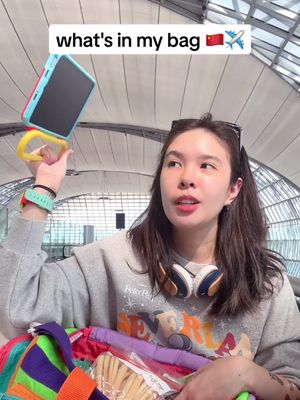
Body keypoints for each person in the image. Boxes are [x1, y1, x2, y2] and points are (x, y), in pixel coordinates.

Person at [0, 113, 299, 400]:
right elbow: (18, 312)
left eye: (207, 166)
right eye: (173, 163)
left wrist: (246, 374)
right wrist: (44, 188)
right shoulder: (110, 261)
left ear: (233, 190)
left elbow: (294, 383)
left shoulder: (266, 285)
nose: (186, 177)